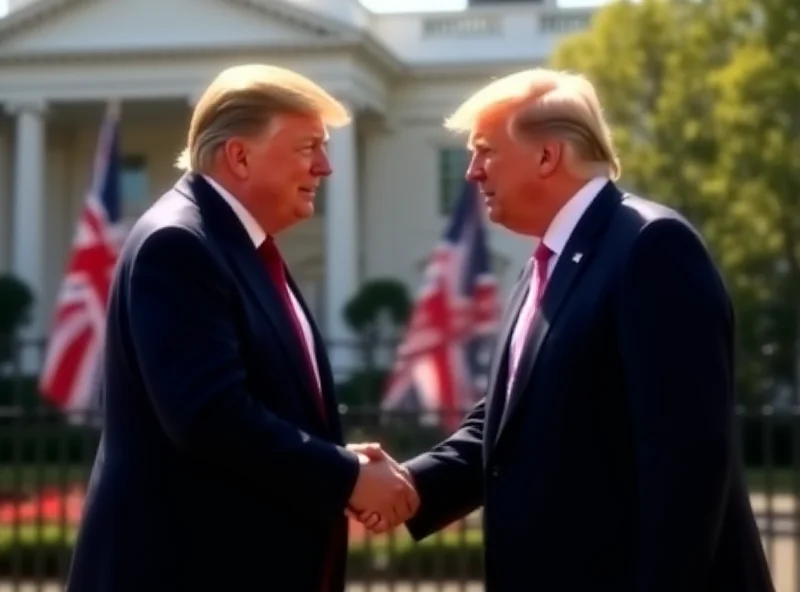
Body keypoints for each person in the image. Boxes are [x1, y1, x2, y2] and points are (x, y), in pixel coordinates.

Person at [356, 68, 775, 591]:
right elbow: (504, 428)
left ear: (547, 156)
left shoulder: (651, 247)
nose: (471, 173)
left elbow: (686, 466)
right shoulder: (546, 264)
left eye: (485, 151)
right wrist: (411, 485)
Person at [65, 64, 417, 592]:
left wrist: (340, 461)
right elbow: (209, 416)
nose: (325, 167)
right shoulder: (180, 245)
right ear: (240, 155)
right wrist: (345, 476)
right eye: (308, 147)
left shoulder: (234, 245)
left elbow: (264, 402)